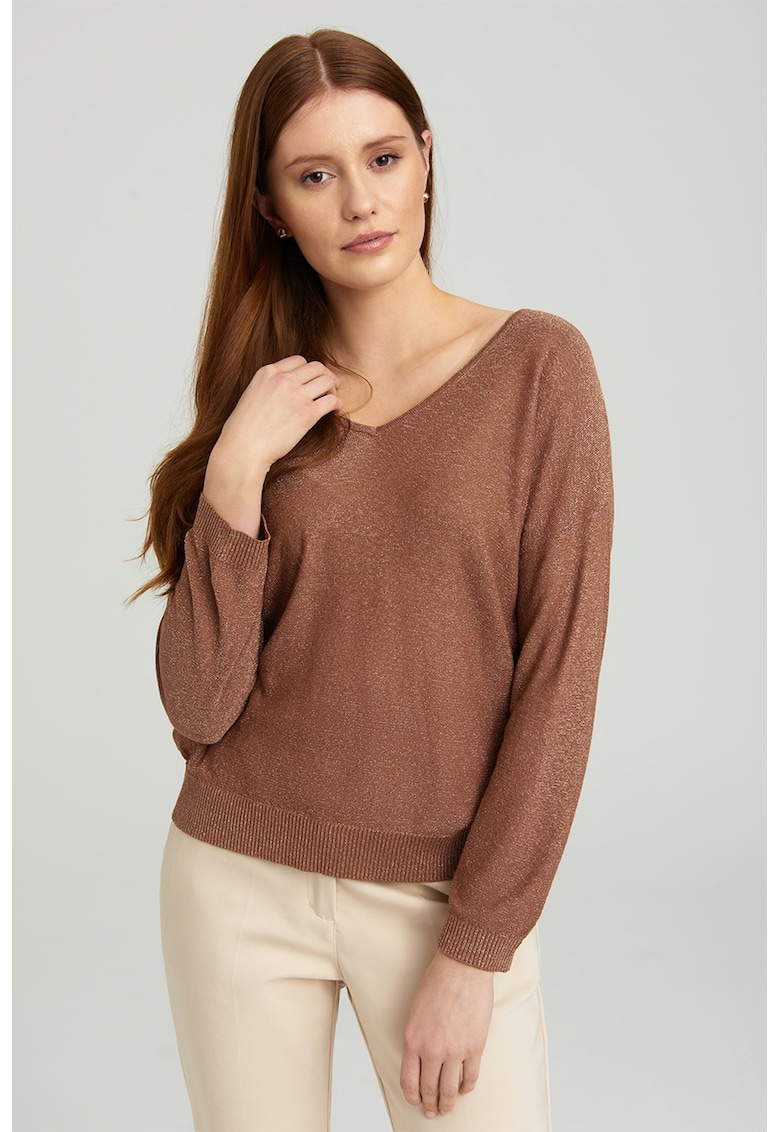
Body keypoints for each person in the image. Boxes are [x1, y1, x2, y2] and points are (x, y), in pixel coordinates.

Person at [139, 27, 613, 1132]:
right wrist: (234, 475)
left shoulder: (540, 370)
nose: (361, 200)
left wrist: (477, 948)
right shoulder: (265, 402)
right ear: (270, 207)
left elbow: (559, 683)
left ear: (427, 159)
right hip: (234, 879)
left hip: (441, 900)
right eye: (315, 176)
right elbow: (198, 708)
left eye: (384, 157)